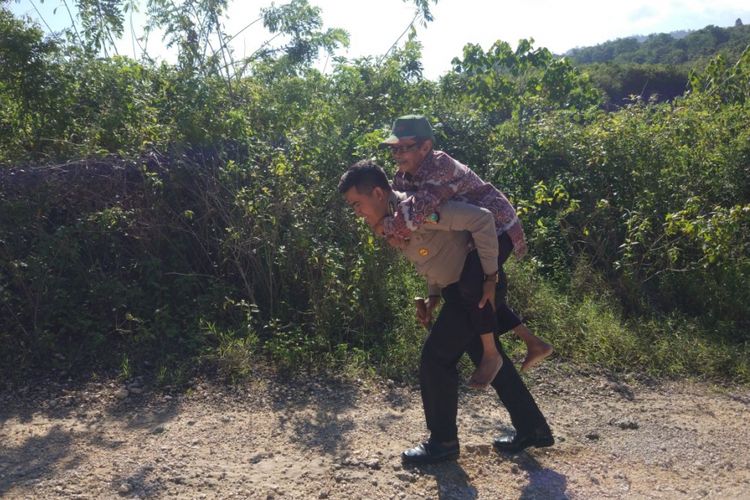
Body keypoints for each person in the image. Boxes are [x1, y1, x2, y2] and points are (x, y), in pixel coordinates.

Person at [338, 160, 554, 465]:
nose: (356, 212)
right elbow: (436, 254)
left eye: (357, 204)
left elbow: (481, 219)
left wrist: (490, 278)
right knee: (489, 358)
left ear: (376, 192)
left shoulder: (417, 210)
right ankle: (534, 429)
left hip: (475, 288)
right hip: (456, 291)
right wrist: (433, 296)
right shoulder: (393, 221)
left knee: (436, 359)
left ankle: (443, 443)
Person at [376, 114, 552, 382]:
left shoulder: (441, 167)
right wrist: (433, 292)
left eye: (404, 147)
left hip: (496, 225)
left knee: (472, 285)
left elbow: (414, 216)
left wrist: (382, 227)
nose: (397, 154)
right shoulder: (403, 179)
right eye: (393, 148)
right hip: (469, 232)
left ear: (425, 147)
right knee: (466, 291)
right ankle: (533, 342)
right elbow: (422, 232)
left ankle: (491, 355)